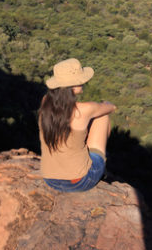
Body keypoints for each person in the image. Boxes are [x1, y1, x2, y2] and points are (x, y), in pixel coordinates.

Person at [39, 58, 116, 192]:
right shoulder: (84, 109)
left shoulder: (45, 102)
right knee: (102, 116)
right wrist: (106, 103)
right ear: (74, 86)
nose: (84, 83)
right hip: (79, 181)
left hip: (49, 179)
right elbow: (111, 107)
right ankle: (102, 162)